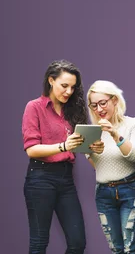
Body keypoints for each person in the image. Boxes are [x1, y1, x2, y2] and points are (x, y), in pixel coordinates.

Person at [22, 60, 100, 254]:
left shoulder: (71, 111)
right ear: (51, 80)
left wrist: (93, 148)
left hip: (66, 179)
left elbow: (82, 148)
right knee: (39, 242)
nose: (69, 92)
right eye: (64, 86)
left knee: (77, 242)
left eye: (73, 87)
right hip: (41, 177)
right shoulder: (34, 107)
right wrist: (63, 146)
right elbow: (31, 149)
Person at [87, 80, 135, 254]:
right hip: (104, 194)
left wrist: (115, 134)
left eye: (102, 103)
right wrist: (91, 152)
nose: (99, 109)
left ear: (114, 100)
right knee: (116, 250)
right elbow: (97, 167)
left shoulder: (132, 124)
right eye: (94, 105)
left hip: (131, 190)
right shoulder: (92, 131)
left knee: (132, 249)